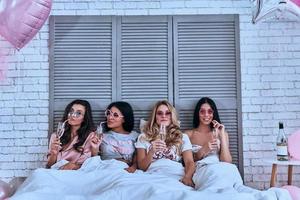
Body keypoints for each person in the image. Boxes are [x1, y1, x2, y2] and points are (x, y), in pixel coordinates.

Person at [136, 100, 195, 187]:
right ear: (155, 117)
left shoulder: (182, 137)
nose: (164, 116)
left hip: (175, 174)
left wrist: (188, 177)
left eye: (168, 113)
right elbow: (142, 167)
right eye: (159, 113)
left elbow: (189, 162)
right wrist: (151, 151)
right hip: (152, 175)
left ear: (172, 116)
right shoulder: (143, 137)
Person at [46, 99, 101, 170]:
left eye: (78, 113)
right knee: (38, 173)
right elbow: (49, 166)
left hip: (77, 175)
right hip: (56, 173)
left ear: (84, 118)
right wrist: (54, 153)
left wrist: (74, 166)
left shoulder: (90, 136)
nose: (73, 115)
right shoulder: (55, 136)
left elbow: (89, 166)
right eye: (71, 111)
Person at [186, 97, 232, 163]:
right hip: (202, 170)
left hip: (220, 170)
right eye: (202, 111)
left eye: (210, 111)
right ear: (197, 113)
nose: (206, 115)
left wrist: (222, 135)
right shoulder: (188, 135)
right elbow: (186, 163)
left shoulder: (222, 134)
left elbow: (227, 162)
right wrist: (203, 150)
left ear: (213, 114)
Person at [99, 101, 139, 173]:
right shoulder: (102, 137)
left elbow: (139, 158)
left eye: (115, 115)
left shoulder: (136, 136)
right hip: (108, 170)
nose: (110, 117)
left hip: (129, 172)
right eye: (108, 113)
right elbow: (101, 158)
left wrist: (133, 167)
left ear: (124, 119)